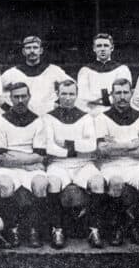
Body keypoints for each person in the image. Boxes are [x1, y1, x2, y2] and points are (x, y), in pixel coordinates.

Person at [37, 79, 107, 249]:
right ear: (58, 95)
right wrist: (75, 146)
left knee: (97, 182)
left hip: (84, 163)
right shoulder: (48, 118)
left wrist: (66, 144)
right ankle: (57, 229)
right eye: (64, 94)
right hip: (58, 164)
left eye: (71, 94)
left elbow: (91, 145)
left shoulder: (86, 117)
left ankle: (94, 229)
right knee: (53, 182)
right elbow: (49, 147)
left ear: (76, 95)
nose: (68, 98)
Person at [94, 78, 139, 244]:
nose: (122, 96)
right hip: (110, 165)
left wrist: (115, 146)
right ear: (112, 95)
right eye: (118, 93)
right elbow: (102, 149)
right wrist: (132, 144)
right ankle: (117, 227)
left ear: (131, 93)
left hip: (136, 164)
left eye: (125, 92)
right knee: (115, 182)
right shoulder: (102, 117)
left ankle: (138, 225)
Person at [0, 82, 46, 248]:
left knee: (40, 184)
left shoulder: (38, 121)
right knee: (5, 185)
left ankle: (34, 230)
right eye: (16, 97)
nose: (20, 100)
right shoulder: (0, 121)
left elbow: (41, 155)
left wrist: (17, 158)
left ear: (29, 97)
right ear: (10, 98)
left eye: (24, 96)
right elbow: (1, 156)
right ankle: (12, 229)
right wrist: (28, 160)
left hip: (31, 170)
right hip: (11, 169)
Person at [0, 36, 72, 116]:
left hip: (47, 116)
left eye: (35, 47)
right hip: (23, 117)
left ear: (41, 50)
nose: (32, 51)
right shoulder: (13, 72)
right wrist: (8, 107)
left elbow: (72, 85)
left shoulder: (53, 70)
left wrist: (59, 103)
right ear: (23, 51)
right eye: (28, 48)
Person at [77, 33, 132, 115]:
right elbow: (83, 97)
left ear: (112, 48)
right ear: (94, 48)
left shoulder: (122, 69)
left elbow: (122, 95)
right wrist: (107, 95)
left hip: (115, 113)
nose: (102, 49)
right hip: (92, 113)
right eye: (99, 46)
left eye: (105, 45)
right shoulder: (85, 71)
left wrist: (95, 99)